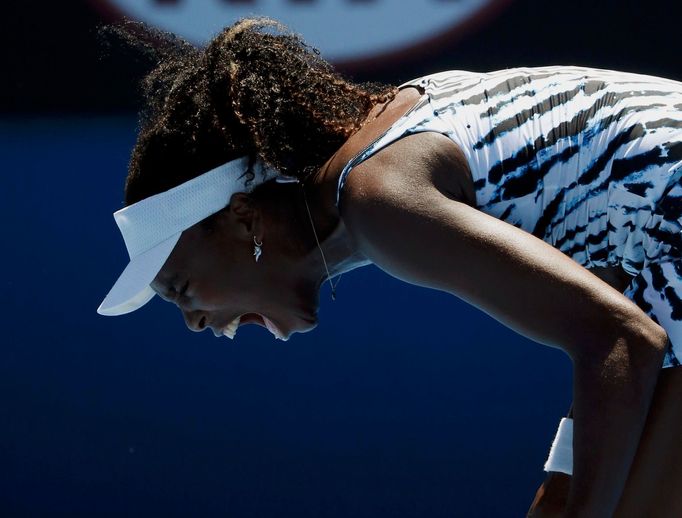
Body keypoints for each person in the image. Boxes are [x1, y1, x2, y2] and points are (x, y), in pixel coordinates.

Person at [98, 18, 682, 516]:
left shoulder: (379, 202)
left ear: (243, 220)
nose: (196, 323)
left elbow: (623, 340)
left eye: (180, 289)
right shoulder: (377, 157)